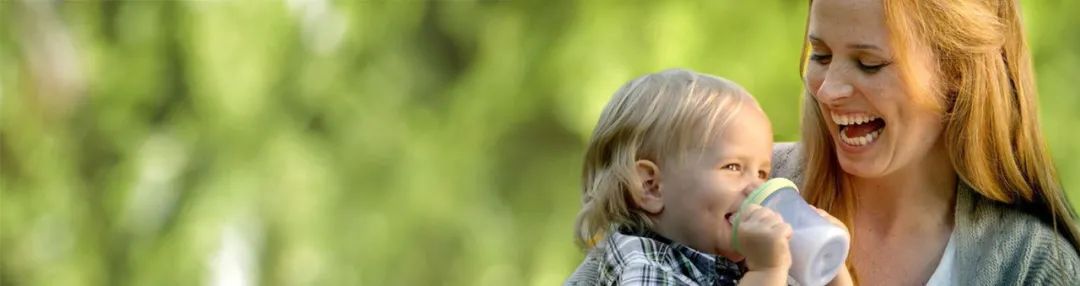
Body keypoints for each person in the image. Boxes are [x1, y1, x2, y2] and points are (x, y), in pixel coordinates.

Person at [771, 0, 1080, 284]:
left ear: (957, 71)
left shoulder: (1035, 266)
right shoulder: (739, 191)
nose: (827, 90)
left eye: (869, 63)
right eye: (821, 56)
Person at [565, 69, 852, 285]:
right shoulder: (642, 266)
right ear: (651, 186)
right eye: (733, 167)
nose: (756, 187)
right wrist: (766, 272)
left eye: (763, 172)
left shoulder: (719, 261)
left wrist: (832, 272)